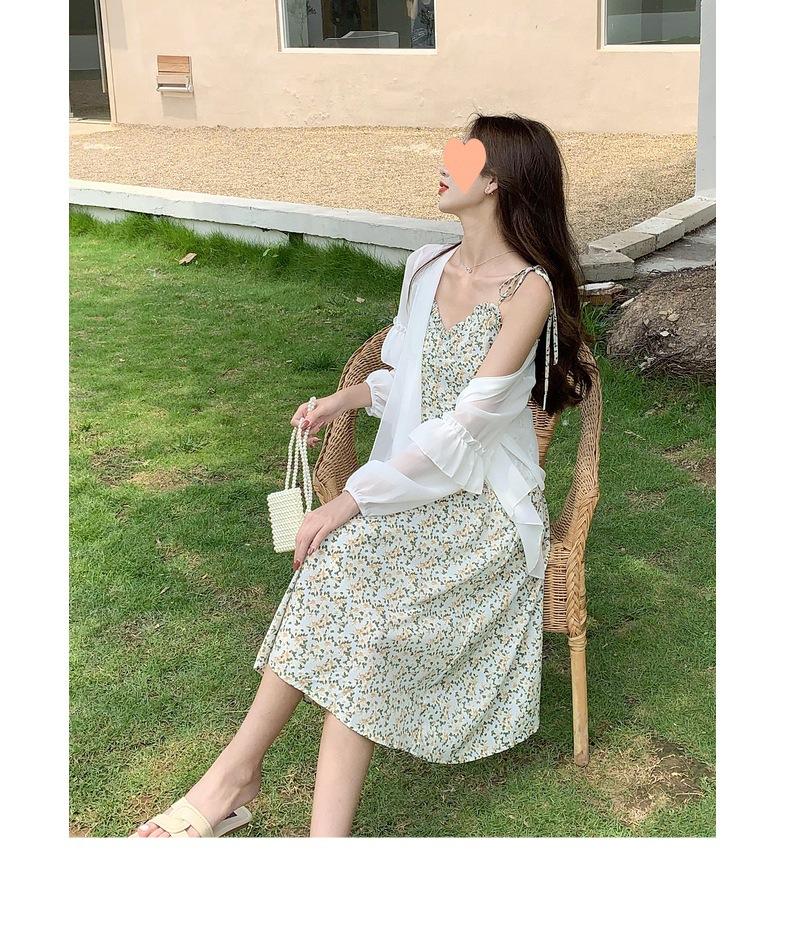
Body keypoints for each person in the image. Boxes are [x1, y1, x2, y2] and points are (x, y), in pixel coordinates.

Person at [130, 112, 594, 838]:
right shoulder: (426, 266)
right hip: (411, 489)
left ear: (497, 181)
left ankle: (258, 800)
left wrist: (349, 500)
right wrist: (341, 400)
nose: (444, 161)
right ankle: (237, 777)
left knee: (369, 617)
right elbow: (409, 378)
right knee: (335, 570)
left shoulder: (528, 291)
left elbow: (461, 429)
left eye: (463, 153)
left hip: (481, 505)